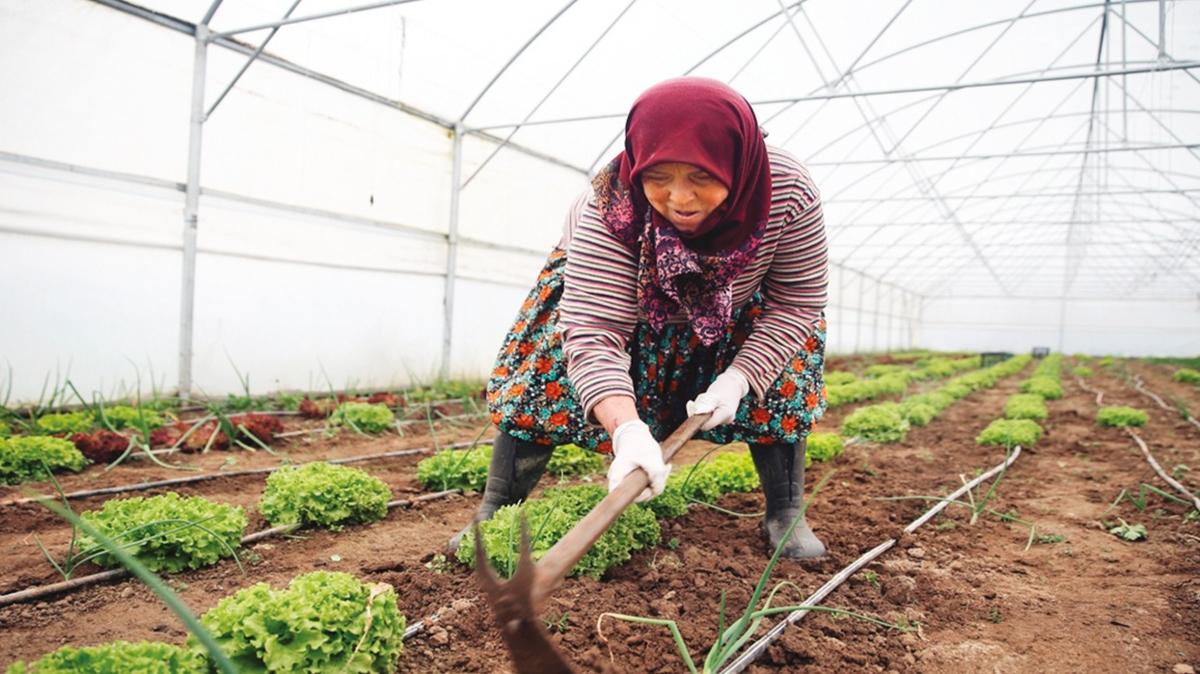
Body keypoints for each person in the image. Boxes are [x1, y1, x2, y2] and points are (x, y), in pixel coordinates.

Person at [449, 77, 829, 559]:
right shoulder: (609, 205)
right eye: (659, 177)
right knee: (545, 370)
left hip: (734, 309)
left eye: (702, 177)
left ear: (738, 164)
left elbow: (796, 303)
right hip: (625, 305)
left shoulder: (788, 192)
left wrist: (738, 379)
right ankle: (497, 508)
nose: (680, 199)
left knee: (787, 364)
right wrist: (627, 431)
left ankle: (786, 509)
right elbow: (594, 330)